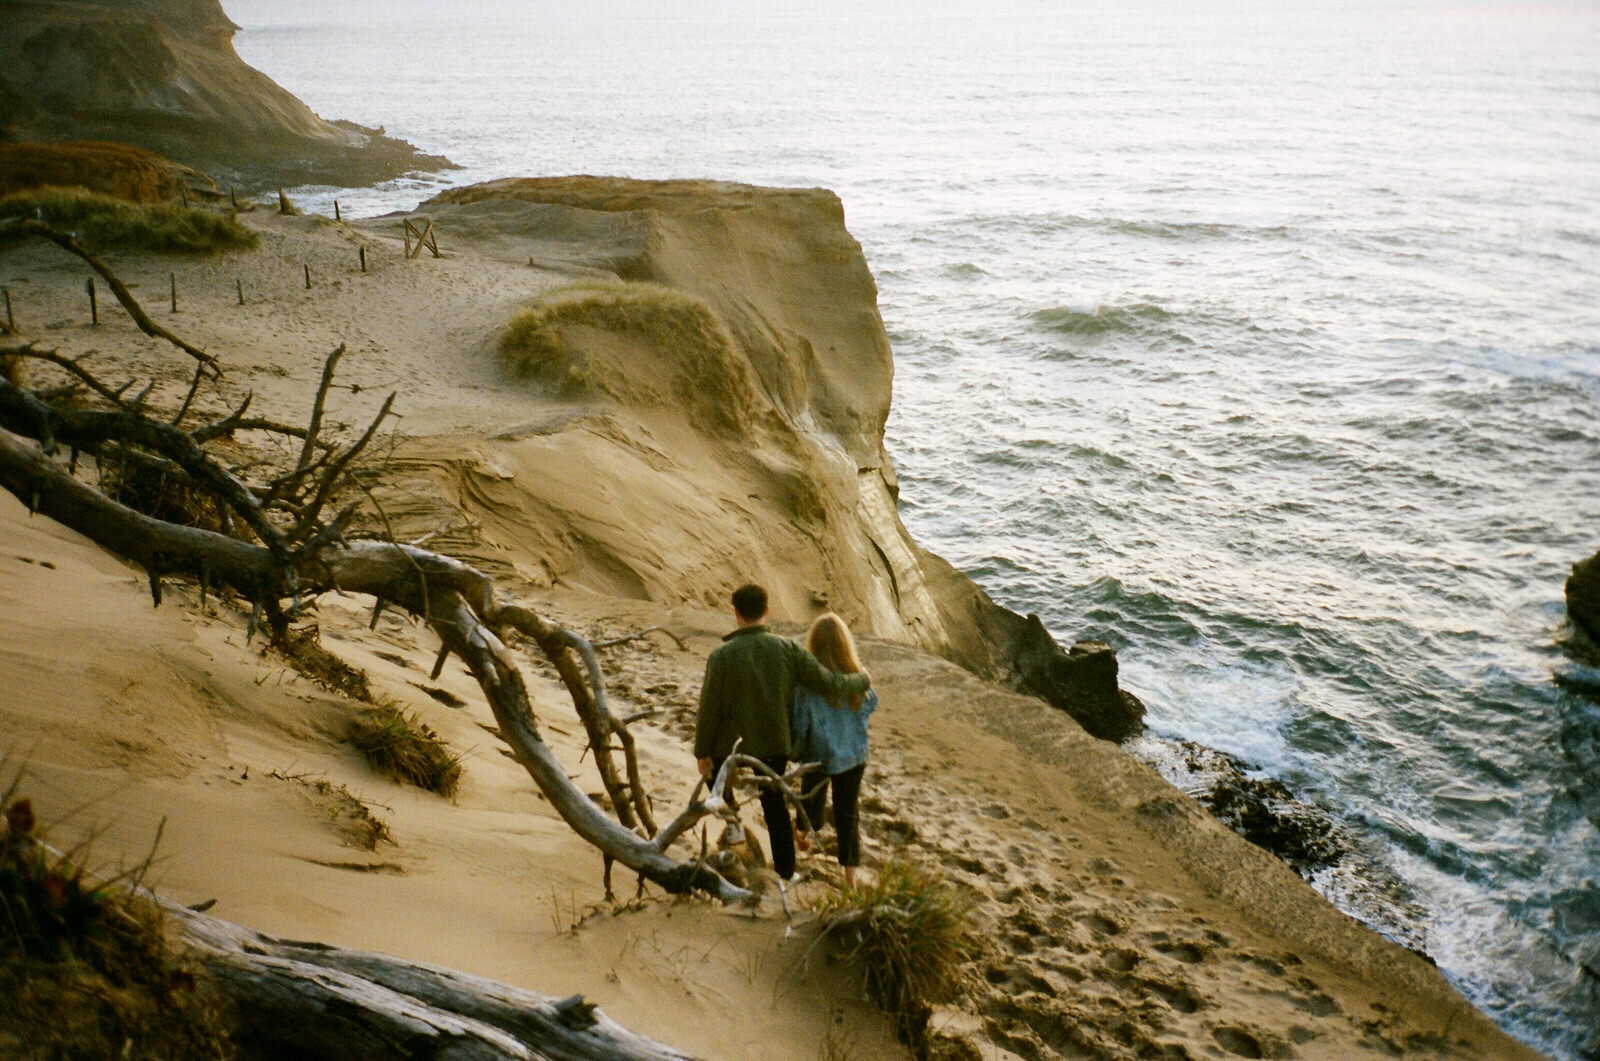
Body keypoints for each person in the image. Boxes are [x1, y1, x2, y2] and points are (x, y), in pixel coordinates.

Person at [694, 584, 871, 883]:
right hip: (774, 742)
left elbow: (708, 709)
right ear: (767, 610)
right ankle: (786, 874)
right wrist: (861, 681)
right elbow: (828, 682)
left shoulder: (721, 655)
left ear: (735, 613)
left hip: (732, 744)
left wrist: (701, 751)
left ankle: (733, 821)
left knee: (717, 777)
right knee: (774, 807)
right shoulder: (787, 648)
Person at [790, 613, 876, 887]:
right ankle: (850, 879)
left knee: (810, 801)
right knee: (847, 813)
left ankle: (803, 833)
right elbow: (872, 704)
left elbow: (800, 722)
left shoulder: (806, 686)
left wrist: (796, 748)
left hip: (820, 754)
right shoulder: (856, 677)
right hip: (853, 755)